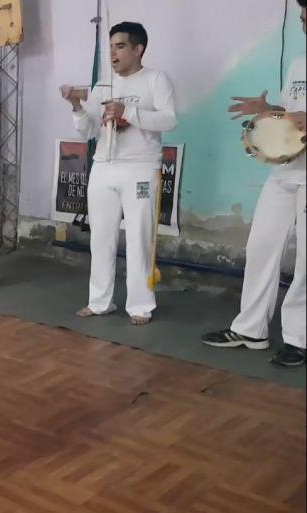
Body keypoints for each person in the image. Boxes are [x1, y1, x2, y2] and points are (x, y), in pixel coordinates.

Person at [201, 0, 306, 367]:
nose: (305, 25)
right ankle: (250, 329)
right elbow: (287, 118)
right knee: (261, 246)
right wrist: (268, 111)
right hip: (284, 174)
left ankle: (298, 338)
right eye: (303, 19)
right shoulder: (297, 64)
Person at [62, 22, 177, 326]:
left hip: (140, 168)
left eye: (120, 46)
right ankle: (99, 302)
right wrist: (76, 107)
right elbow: (89, 129)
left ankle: (140, 304)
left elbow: (169, 120)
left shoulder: (156, 80)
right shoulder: (104, 84)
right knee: (100, 238)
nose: (113, 52)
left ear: (138, 49)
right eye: (111, 46)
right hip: (103, 167)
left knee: (139, 237)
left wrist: (129, 114)